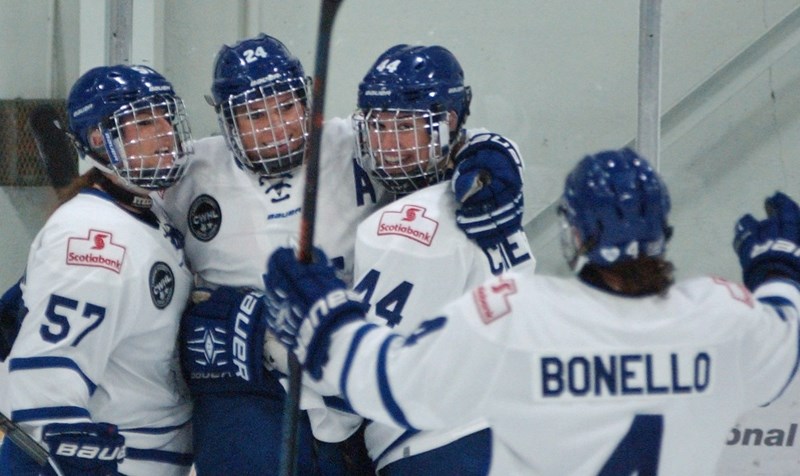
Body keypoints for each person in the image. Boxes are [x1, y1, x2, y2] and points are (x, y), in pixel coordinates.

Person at [263, 147, 800, 475]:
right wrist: (779, 269)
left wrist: (327, 320)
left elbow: (392, 378)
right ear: (664, 233)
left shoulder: (524, 310)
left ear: (574, 236)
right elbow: (782, 345)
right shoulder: (715, 316)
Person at [166, 34, 526, 474]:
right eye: (254, 115)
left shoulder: (354, 144)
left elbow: (429, 138)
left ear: (308, 97)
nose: (275, 128)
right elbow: (127, 215)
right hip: (249, 390)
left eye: (286, 107)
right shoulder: (190, 172)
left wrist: (492, 151)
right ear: (225, 119)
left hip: (350, 393)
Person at [0, 64, 195, 475]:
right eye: (142, 123)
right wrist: (63, 446)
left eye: (165, 118)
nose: (163, 134)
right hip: (123, 459)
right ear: (98, 140)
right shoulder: (93, 239)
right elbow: (50, 369)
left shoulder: (145, 208)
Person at [349, 44, 534, 474]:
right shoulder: (489, 198)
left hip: (438, 447)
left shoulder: (403, 223)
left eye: (407, 127)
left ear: (447, 124)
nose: (390, 145)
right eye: (380, 127)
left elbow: (359, 366)